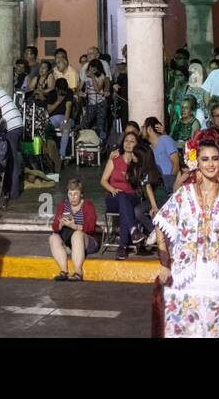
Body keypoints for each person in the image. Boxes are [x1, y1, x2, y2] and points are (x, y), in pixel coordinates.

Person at [154, 130, 219, 338]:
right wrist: (164, 261)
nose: (210, 164)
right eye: (205, 159)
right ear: (197, 163)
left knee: (217, 330)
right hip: (185, 278)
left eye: (214, 159)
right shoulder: (184, 194)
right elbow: (161, 221)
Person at [100, 129, 143, 259]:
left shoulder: (138, 162)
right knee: (122, 197)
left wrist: (136, 166)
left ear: (137, 144)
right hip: (114, 196)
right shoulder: (115, 158)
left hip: (132, 197)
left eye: (132, 141)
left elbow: (139, 185)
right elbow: (103, 180)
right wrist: (112, 190)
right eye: (126, 140)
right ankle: (133, 231)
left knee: (125, 205)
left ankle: (122, 247)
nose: (128, 143)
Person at [49, 178, 99, 281]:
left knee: (77, 234)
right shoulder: (63, 205)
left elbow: (90, 228)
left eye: (75, 194)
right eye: (70, 194)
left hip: (87, 241)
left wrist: (74, 226)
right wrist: (60, 224)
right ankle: (64, 271)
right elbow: (54, 226)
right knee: (53, 237)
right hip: (69, 241)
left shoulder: (88, 205)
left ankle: (78, 272)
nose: (72, 197)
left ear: (81, 194)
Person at [143, 116, 181, 195]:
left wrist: (170, 184)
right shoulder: (149, 148)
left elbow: (176, 163)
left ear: (149, 129)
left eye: (143, 127)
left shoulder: (165, 140)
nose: (141, 129)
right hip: (158, 187)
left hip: (170, 185)